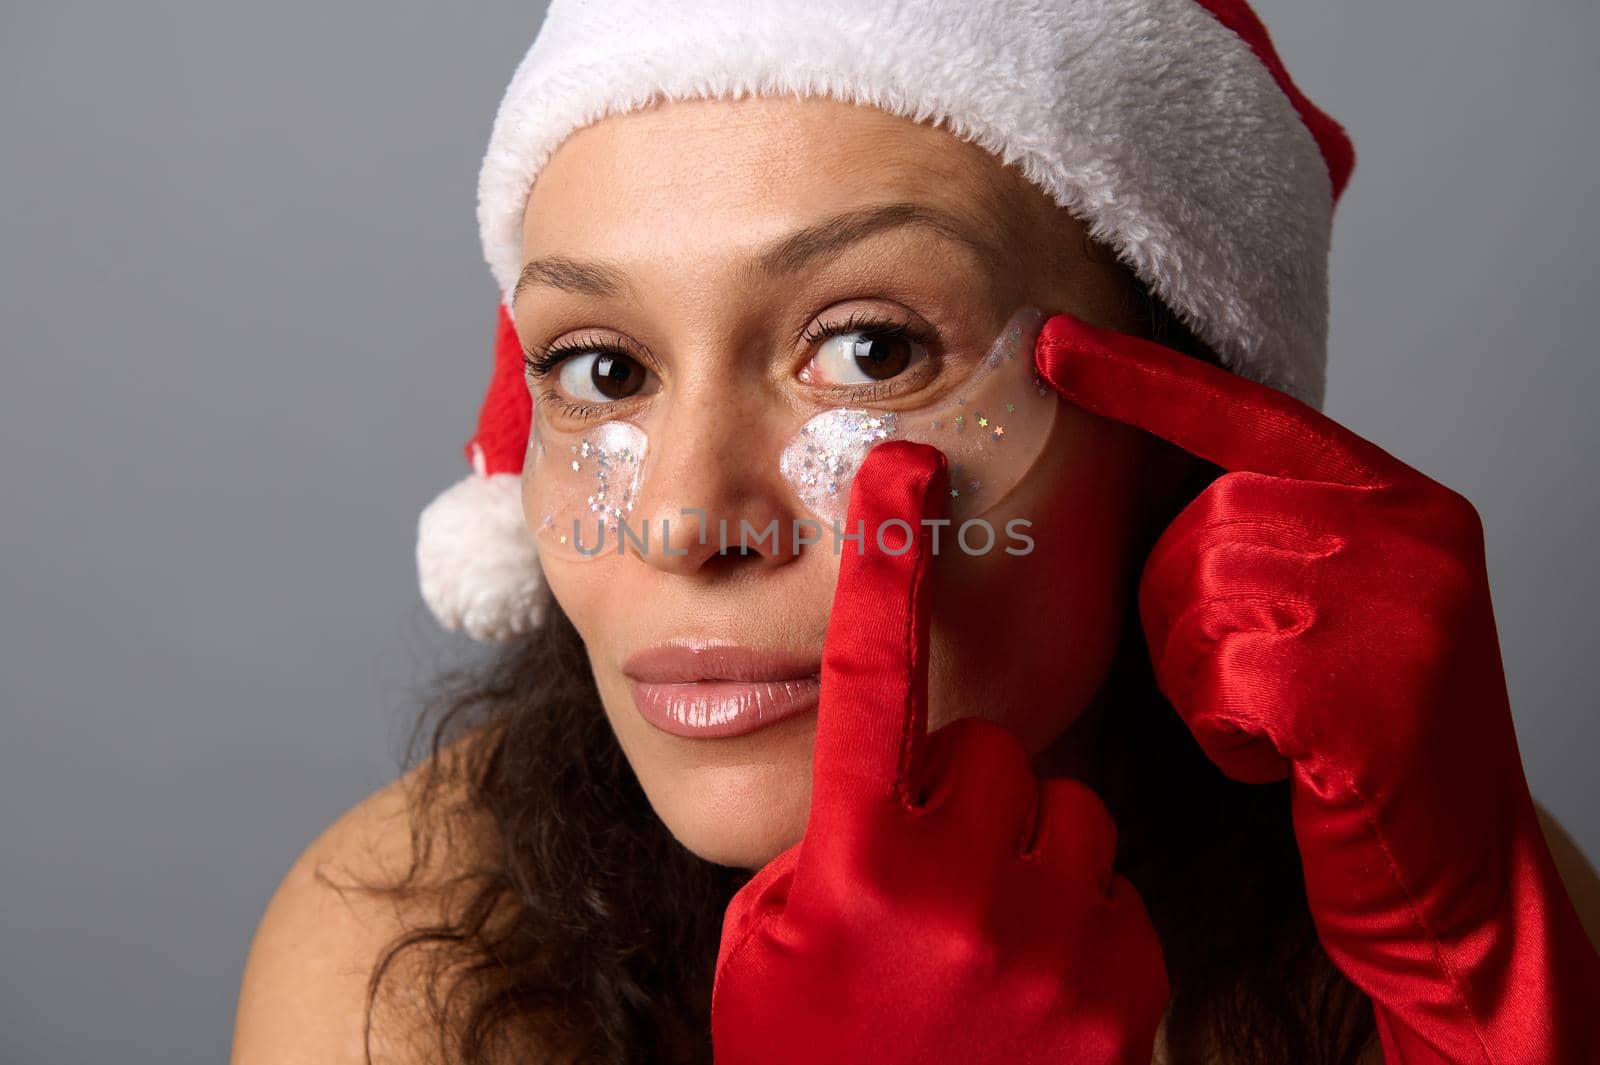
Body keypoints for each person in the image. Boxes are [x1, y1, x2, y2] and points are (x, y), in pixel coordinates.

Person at [231, 2, 1600, 1062]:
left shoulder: (1436, 898)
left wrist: (1485, 983)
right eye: (603, 370)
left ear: (1187, 417)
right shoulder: (405, 953)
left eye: (872, 349)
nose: (682, 516)